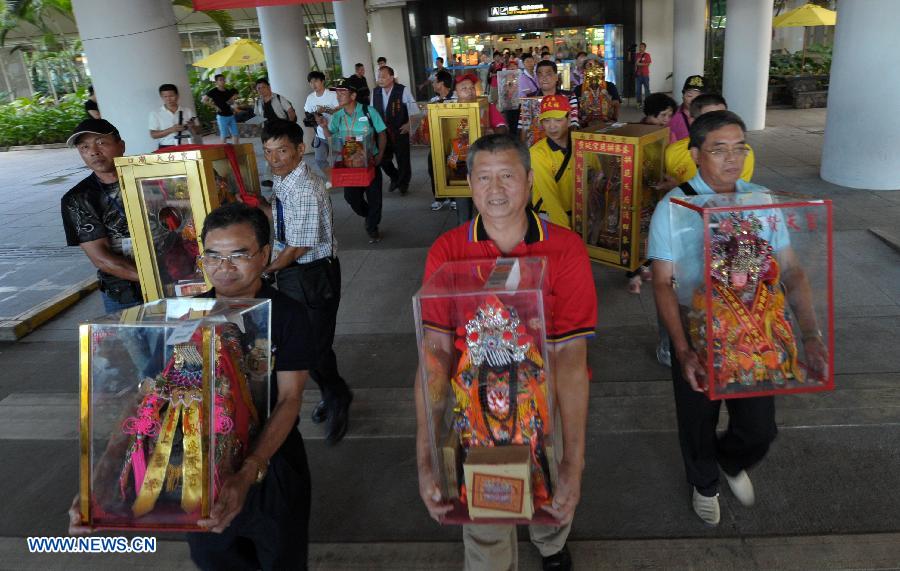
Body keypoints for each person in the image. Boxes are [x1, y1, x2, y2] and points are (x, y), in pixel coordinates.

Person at [69, 202, 319, 570]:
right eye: (213, 255)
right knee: (214, 559)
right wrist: (101, 480)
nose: (224, 266)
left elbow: (289, 399)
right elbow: (146, 397)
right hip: (198, 469)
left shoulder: (287, 315)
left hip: (271, 467)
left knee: (281, 559)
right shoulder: (185, 317)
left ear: (264, 254)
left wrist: (248, 471)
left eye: (239, 254)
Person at [415, 133, 596, 571]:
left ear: (530, 180)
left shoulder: (566, 248)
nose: (496, 190)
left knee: (553, 494)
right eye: (484, 178)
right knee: (486, 518)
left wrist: (575, 458)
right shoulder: (448, 250)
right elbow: (434, 355)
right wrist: (426, 457)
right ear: (470, 185)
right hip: (475, 413)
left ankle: (551, 544)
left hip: (544, 404)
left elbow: (571, 357)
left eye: (508, 177)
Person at [648, 110, 828, 526]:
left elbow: (792, 269)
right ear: (695, 154)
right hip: (696, 328)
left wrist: (811, 334)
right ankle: (704, 481)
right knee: (697, 417)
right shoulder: (673, 208)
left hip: (755, 330)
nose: (732, 159)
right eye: (719, 150)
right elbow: (662, 282)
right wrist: (681, 349)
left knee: (759, 426)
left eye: (740, 148)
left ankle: (730, 460)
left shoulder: (760, 200)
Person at [257, 120, 352, 445]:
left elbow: (299, 246)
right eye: (268, 152)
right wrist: (258, 207)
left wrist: (265, 271)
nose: (275, 158)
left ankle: (339, 397)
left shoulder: (307, 187)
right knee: (309, 344)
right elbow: (285, 219)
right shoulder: (286, 180)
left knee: (313, 347)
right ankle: (332, 392)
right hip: (295, 273)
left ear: (300, 149)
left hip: (313, 275)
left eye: (282, 150)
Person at [61, 118, 141, 313]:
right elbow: (101, 258)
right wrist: (159, 278)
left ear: (121, 145)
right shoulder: (77, 198)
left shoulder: (153, 179)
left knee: (184, 342)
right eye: (84, 147)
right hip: (125, 293)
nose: (93, 151)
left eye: (101, 143)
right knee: (139, 344)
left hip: (178, 283)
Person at [319, 78, 388, 243]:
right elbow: (332, 139)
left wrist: (379, 156)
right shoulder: (338, 117)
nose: (338, 96)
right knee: (351, 198)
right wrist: (324, 127)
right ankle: (368, 215)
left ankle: (372, 227)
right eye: (337, 92)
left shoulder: (369, 112)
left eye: (343, 92)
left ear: (353, 95)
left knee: (375, 199)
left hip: (370, 162)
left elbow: (382, 133)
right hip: (349, 164)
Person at [450, 73, 508, 222]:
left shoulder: (486, 106)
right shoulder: (448, 110)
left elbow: (502, 127)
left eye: (471, 87)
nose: (469, 91)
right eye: (464, 88)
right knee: (463, 210)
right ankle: (465, 238)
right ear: (455, 92)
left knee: (485, 207)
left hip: (484, 164)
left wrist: (493, 132)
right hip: (460, 165)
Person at [665, 93, 755, 186]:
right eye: (710, 119)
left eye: (724, 117)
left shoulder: (743, 152)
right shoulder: (673, 151)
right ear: (693, 121)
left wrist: (682, 190)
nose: (721, 124)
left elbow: (733, 194)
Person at [529, 94, 576, 229]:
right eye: (547, 121)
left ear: (569, 119)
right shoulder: (537, 153)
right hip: (549, 216)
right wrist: (567, 232)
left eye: (557, 120)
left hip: (581, 215)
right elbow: (550, 198)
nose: (552, 126)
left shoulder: (581, 146)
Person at [373, 66, 421, 195]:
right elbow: (372, 113)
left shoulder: (402, 90)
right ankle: (395, 177)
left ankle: (403, 183)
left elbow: (414, 110)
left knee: (402, 159)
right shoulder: (375, 92)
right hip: (382, 132)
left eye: (383, 77)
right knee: (382, 158)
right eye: (378, 77)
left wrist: (408, 124)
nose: (380, 79)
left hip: (399, 130)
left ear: (391, 77)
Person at [518, 60, 580, 143]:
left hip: (561, 143)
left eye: (548, 74)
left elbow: (573, 123)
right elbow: (523, 126)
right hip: (535, 146)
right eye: (540, 75)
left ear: (556, 77)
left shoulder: (569, 96)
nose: (544, 78)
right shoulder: (529, 99)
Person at [428, 70, 456, 212]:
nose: (433, 84)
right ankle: (439, 197)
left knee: (453, 167)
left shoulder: (456, 98)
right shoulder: (434, 101)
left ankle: (454, 197)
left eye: (434, 81)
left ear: (441, 83)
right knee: (433, 166)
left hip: (455, 141)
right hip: (437, 140)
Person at [303, 71, 338, 177]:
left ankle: (346, 179)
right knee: (319, 160)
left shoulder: (333, 95)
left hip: (336, 133)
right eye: (311, 82)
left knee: (342, 159)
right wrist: (315, 117)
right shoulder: (310, 98)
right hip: (320, 134)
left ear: (322, 81)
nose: (313, 84)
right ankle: (333, 179)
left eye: (316, 81)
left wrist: (326, 110)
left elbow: (341, 111)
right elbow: (308, 113)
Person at [149, 83, 200, 149]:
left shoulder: (188, 111)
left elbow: (198, 132)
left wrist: (193, 126)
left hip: (187, 144)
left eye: (171, 96)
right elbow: (153, 135)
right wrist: (171, 129)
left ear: (177, 95)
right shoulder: (155, 113)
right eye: (165, 97)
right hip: (166, 147)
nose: (168, 99)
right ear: (161, 97)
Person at [573, 56, 620, 126]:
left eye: (596, 67)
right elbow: (574, 109)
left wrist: (605, 103)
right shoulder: (578, 89)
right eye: (589, 67)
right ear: (584, 71)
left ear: (601, 70)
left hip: (606, 124)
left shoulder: (610, 86)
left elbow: (617, 104)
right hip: (585, 126)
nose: (592, 71)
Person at [203, 74, 240, 144]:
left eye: (223, 79)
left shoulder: (227, 91)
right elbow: (204, 100)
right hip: (222, 116)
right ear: (216, 82)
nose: (223, 81)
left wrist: (233, 100)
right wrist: (215, 106)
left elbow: (231, 103)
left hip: (231, 115)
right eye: (220, 80)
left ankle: (236, 150)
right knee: (224, 136)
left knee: (235, 134)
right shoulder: (213, 91)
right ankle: (224, 152)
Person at [668, 75, 705, 142]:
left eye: (698, 96)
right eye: (689, 95)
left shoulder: (709, 116)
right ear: (683, 96)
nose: (693, 100)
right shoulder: (671, 116)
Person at [634, 42, 652, 108]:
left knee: (647, 89)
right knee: (638, 90)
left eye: (642, 47)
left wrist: (639, 63)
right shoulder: (637, 55)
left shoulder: (647, 55)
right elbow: (636, 63)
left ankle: (648, 103)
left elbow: (648, 64)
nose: (640, 48)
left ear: (645, 48)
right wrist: (638, 63)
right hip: (638, 75)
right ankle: (639, 103)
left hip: (645, 75)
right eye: (640, 47)